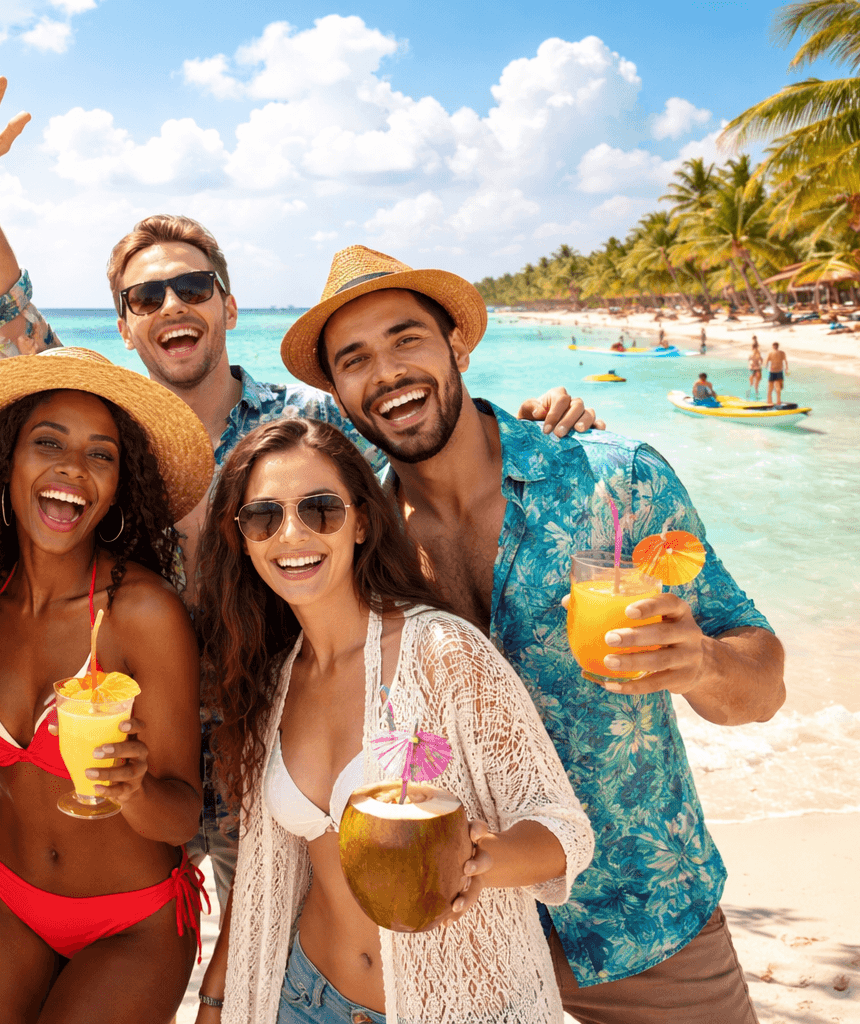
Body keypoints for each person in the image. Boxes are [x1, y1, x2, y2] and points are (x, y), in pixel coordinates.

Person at [0, 75, 602, 922]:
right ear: (128, 326)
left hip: (287, 757)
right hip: (144, 764)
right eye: (146, 297)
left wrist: (528, 422)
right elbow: (4, 315)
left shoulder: (310, 426)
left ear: (226, 305)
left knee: (311, 956)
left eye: (193, 286)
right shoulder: (110, 437)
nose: (171, 303)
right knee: (214, 964)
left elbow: (413, 423)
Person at [282, 245, 785, 1023]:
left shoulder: (612, 481)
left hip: (641, 921)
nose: (385, 371)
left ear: (458, 345)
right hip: (462, 937)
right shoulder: (360, 547)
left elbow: (762, 687)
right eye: (355, 359)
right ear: (338, 393)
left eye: (405, 339)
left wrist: (703, 662)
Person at [194, 418, 594, 1023]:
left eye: (320, 509)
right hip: (301, 999)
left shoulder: (443, 653)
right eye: (263, 517)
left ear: (360, 521)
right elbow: (262, 876)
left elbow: (563, 831)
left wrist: (482, 863)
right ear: (243, 540)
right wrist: (216, 1001)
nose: (292, 533)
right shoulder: (271, 683)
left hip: (457, 1007)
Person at [0, 348, 213, 1021]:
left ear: (117, 485)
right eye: (47, 442)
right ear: (7, 462)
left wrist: (132, 791)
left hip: (130, 921)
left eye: (100, 454)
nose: (72, 468)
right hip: (4, 896)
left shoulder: (144, 615)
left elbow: (184, 813)